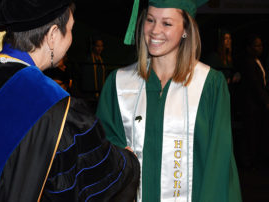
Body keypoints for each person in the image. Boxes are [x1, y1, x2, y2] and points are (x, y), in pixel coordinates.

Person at [0, 0, 140, 201]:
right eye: (71, 30)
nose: (71, 39)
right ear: (52, 35)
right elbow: (94, 179)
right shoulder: (55, 108)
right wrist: (128, 163)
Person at [96, 0, 242, 201]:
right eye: (150, 20)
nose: (155, 30)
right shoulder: (119, 84)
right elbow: (103, 149)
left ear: (185, 30)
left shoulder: (209, 85)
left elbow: (218, 164)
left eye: (167, 23)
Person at [239, 34, 269, 169]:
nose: (260, 48)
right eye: (256, 45)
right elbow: (255, 84)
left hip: (257, 104)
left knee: (256, 132)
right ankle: (248, 161)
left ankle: (254, 159)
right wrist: (265, 101)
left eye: (261, 45)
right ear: (249, 48)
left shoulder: (258, 61)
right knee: (250, 132)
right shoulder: (249, 62)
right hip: (251, 104)